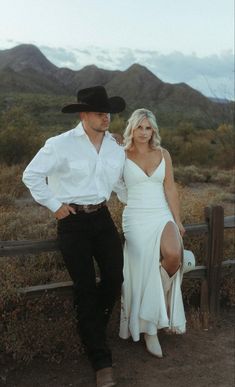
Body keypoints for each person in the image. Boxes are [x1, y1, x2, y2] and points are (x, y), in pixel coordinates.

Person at [22, 86, 126, 387]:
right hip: (73, 222)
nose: (105, 117)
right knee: (84, 286)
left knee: (114, 277)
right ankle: (100, 359)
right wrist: (55, 206)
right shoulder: (60, 144)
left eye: (107, 112)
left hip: (103, 217)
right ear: (83, 115)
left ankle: (91, 329)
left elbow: (119, 183)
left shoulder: (114, 147)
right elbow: (30, 175)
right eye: (98, 112)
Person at [118, 108, 195, 357]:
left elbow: (170, 189)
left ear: (154, 130)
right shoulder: (121, 154)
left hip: (161, 213)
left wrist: (178, 221)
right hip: (136, 217)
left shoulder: (163, 154)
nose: (143, 132)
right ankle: (149, 330)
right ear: (132, 128)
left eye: (148, 127)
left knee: (174, 255)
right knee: (143, 270)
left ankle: (152, 307)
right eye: (139, 127)